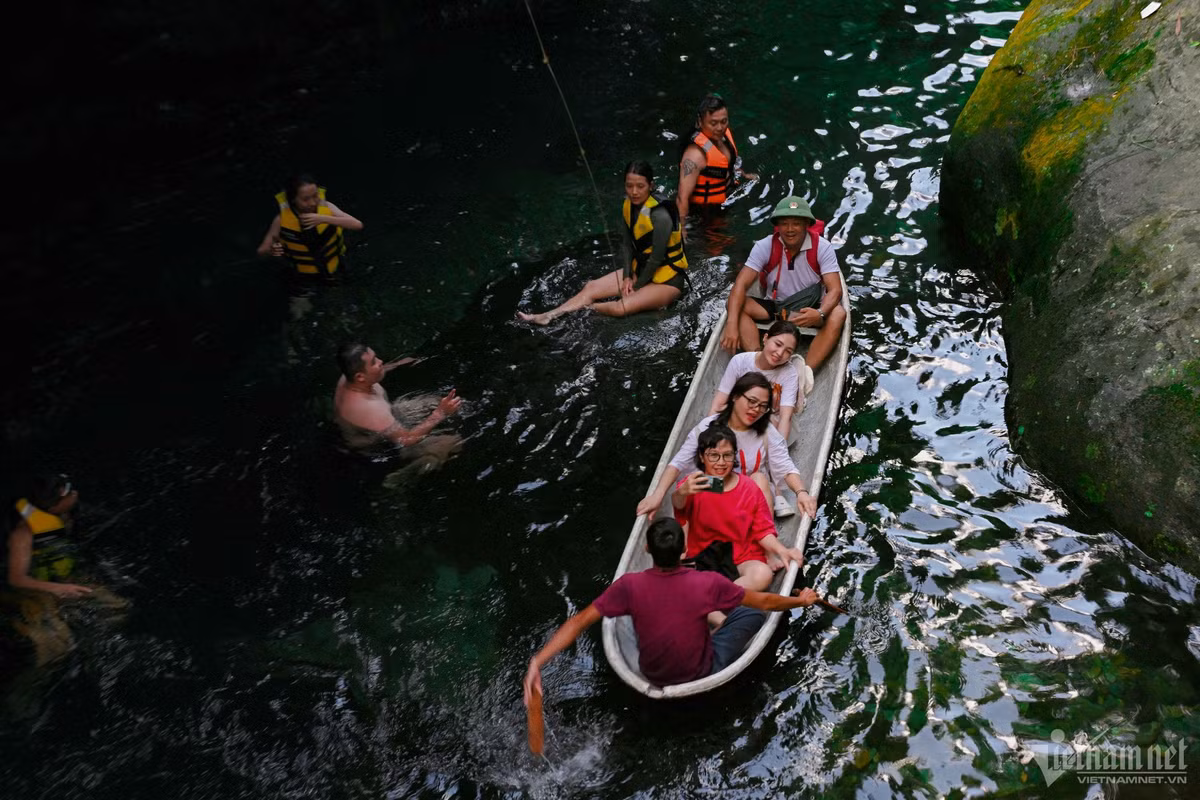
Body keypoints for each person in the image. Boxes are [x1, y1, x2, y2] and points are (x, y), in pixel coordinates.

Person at [522, 518, 818, 694]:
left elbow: (577, 622)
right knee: (752, 614)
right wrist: (800, 600)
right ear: (684, 552)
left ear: (647, 549)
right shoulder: (706, 584)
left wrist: (538, 661)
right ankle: (712, 628)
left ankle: (706, 626)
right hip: (701, 670)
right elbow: (765, 600)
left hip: (653, 674)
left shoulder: (628, 585)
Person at [517, 161, 688, 325]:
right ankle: (548, 316)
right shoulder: (629, 206)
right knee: (591, 287)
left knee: (621, 307)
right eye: (629, 186)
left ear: (650, 186)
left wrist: (636, 286)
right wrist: (627, 275)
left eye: (640, 186)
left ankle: (587, 309)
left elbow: (656, 259)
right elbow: (627, 245)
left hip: (667, 281)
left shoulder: (661, 216)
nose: (634, 192)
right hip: (640, 270)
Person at [635, 373, 817, 520]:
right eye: (751, 401)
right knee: (696, 483)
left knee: (760, 478)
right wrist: (658, 494)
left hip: (750, 497)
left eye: (762, 406)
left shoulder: (767, 431)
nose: (756, 409)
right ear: (735, 397)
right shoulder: (708, 426)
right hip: (716, 491)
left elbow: (785, 467)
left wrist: (801, 492)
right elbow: (678, 463)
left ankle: (765, 547)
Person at [673, 425, 805, 594]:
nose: (721, 462)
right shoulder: (693, 484)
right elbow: (678, 506)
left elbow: (763, 530)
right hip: (705, 558)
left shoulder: (748, 487)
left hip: (742, 556)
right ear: (702, 456)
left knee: (763, 574)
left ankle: (715, 597)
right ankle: (717, 597)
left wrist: (782, 550)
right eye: (714, 455)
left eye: (727, 455)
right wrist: (681, 492)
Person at [721, 196, 847, 371]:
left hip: (808, 310)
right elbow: (740, 286)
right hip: (776, 308)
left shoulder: (822, 247)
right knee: (734, 304)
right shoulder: (765, 246)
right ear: (777, 226)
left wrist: (820, 313)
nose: (789, 229)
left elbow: (835, 290)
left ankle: (805, 373)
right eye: (784, 224)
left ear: (806, 225)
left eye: (796, 223)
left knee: (838, 313)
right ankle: (759, 363)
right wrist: (731, 325)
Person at [333, 344, 463, 466]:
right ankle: (399, 481)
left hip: (388, 417)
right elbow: (406, 440)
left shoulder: (349, 377)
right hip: (378, 444)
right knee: (453, 443)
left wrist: (396, 364)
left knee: (435, 402)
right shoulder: (369, 409)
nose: (381, 362)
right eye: (374, 362)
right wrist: (440, 413)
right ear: (360, 377)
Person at [710, 319, 809, 440]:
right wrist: (710, 435)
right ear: (766, 338)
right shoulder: (740, 362)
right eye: (777, 344)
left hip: (770, 422)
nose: (779, 353)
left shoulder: (789, 374)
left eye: (788, 351)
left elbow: (785, 417)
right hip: (740, 414)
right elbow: (719, 403)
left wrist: (778, 450)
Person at [257, 174, 363, 279]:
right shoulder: (280, 220)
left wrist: (323, 219)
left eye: (315, 196)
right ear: (292, 199)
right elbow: (262, 251)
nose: (312, 203)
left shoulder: (327, 207)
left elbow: (357, 225)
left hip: (337, 268)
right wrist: (271, 251)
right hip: (303, 276)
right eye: (305, 199)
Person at [6, 475, 91, 600]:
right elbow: (16, 579)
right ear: (53, 506)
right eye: (69, 494)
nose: (74, 493)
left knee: (119, 604)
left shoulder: (63, 513)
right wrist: (58, 588)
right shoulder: (23, 533)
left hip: (61, 570)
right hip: (38, 588)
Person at [676, 94, 757, 222]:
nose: (720, 128)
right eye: (713, 123)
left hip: (727, 197)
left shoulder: (724, 138)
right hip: (702, 214)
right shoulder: (695, 155)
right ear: (700, 122)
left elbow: (728, 165)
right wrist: (682, 231)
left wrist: (744, 175)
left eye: (724, 121)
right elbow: (682, 197)